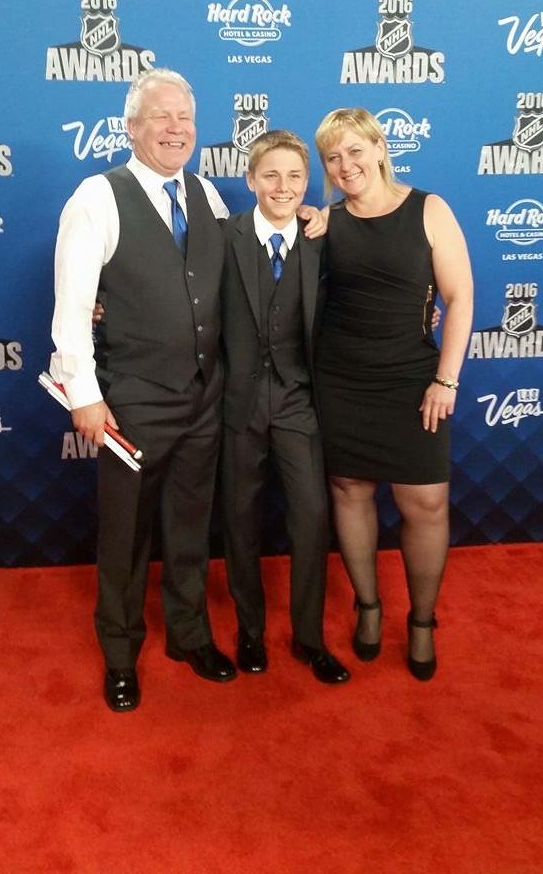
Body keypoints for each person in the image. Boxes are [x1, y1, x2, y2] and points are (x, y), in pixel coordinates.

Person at [50, 67, 237, 712]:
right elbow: (72, 305)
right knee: (126, 534)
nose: (175, 129)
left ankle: (188, 635)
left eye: (184, 118)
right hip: (130, 399)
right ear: (131, 128)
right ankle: (121, 653)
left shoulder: (211, 197)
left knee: (189, 526)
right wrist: (84, 393)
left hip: (205, 397)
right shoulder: (96, 198)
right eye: (161, 117)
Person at [313, 108, 473, 681]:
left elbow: (460, 297)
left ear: (380, 148)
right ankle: (369, 606)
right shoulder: (325, 223)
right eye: (332, 157)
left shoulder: (429, 209)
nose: (345, 165)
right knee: (350, 488)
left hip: (412, 380)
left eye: (355, 151)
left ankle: (423, 621)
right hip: (340, 379)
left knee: (424, 503)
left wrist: (445, 379)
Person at [219, 130, 349, 685]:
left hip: (299, 402)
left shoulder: (325, 238)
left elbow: (369, 297)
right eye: (270, 175)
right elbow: (165, 287)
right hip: (237, 404)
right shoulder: (220, 238)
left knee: (312, 520)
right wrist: (104, 306)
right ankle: (250, 632)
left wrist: (423, 318)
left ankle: (309, 638)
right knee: (240, 521)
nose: (283, 187)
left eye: (295, 177)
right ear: (250, 180)